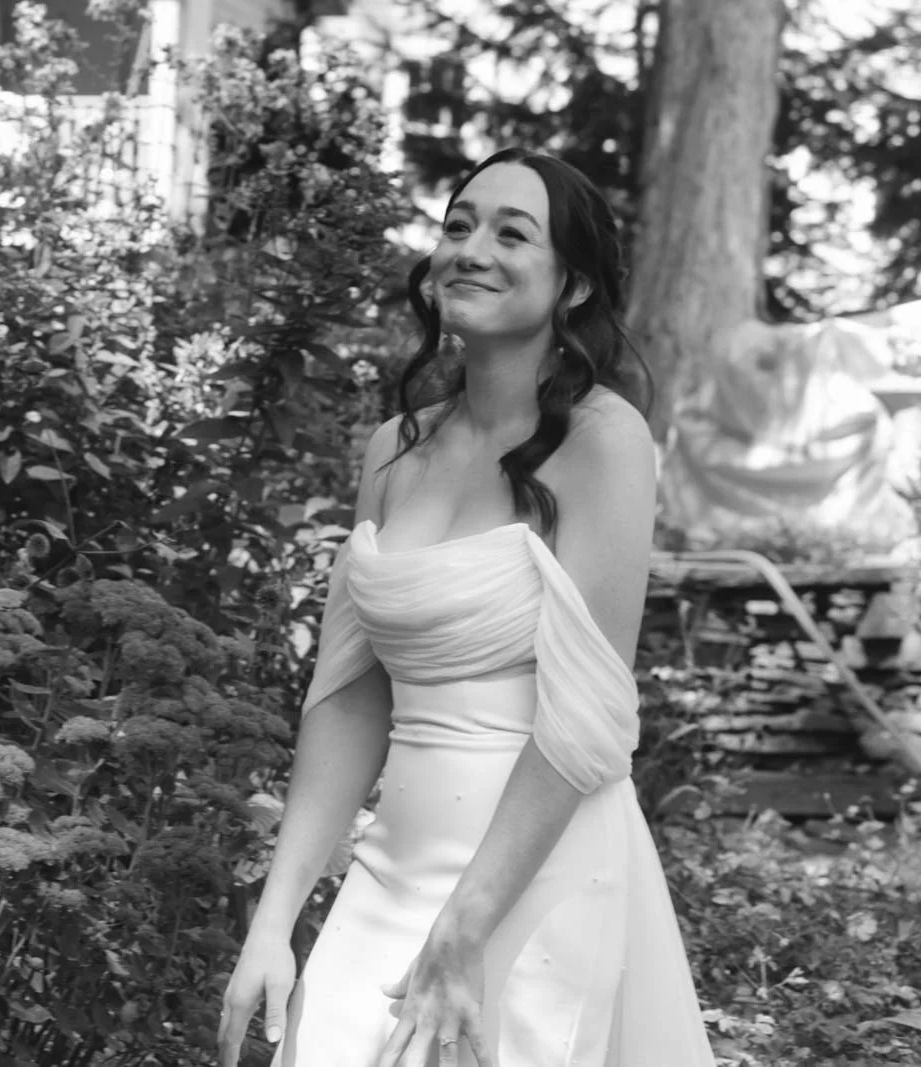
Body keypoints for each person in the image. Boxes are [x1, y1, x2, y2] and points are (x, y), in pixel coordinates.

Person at [217, 148, 715, 1067]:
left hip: (536, 881)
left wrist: (464, 928)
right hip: (388, 871)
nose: (471, 249)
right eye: (458, 224)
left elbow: (586, 719)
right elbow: (349, 694)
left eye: (511, 233)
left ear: (571, 287)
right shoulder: (393, 450)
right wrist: (276, 917)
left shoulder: (605, 441)